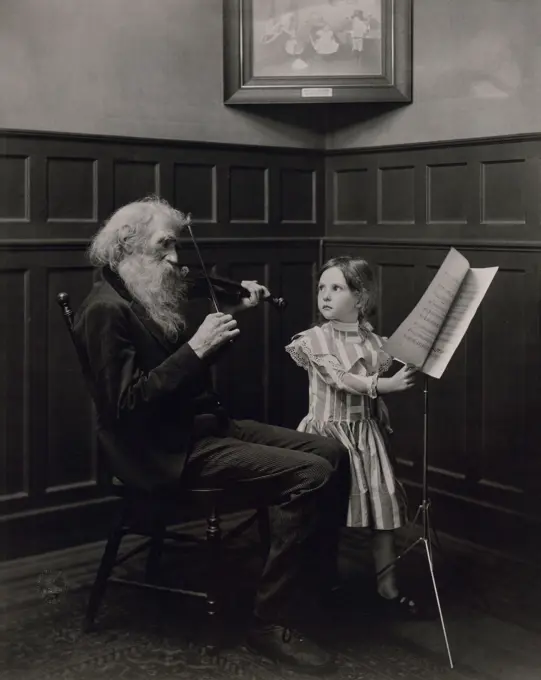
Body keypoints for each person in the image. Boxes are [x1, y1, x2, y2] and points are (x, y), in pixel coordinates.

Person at [74, 197, 350, 673]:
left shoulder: (140, 293)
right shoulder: (104, 310)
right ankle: (270, 620)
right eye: (165, 247)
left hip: (195, 428)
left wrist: (217, 331)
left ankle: (308, 588)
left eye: (177, 248)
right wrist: (197, 349)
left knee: (332, 451)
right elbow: (126, 408)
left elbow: (179, 376)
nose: (176, 260)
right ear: (128, 246)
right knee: (312, 473)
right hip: (159, 451)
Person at [285, 255, 421, 617]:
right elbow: (342, 380)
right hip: (326, 439)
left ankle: (387, 588)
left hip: (366, 438)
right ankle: (318, 585)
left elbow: (391, 367)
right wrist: (384, 385)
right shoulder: (314, 340)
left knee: (383, 514)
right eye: (321, 288)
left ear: (360, 298)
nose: (324, 296)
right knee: (323, 517)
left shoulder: (375, 342)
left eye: (336, 288)